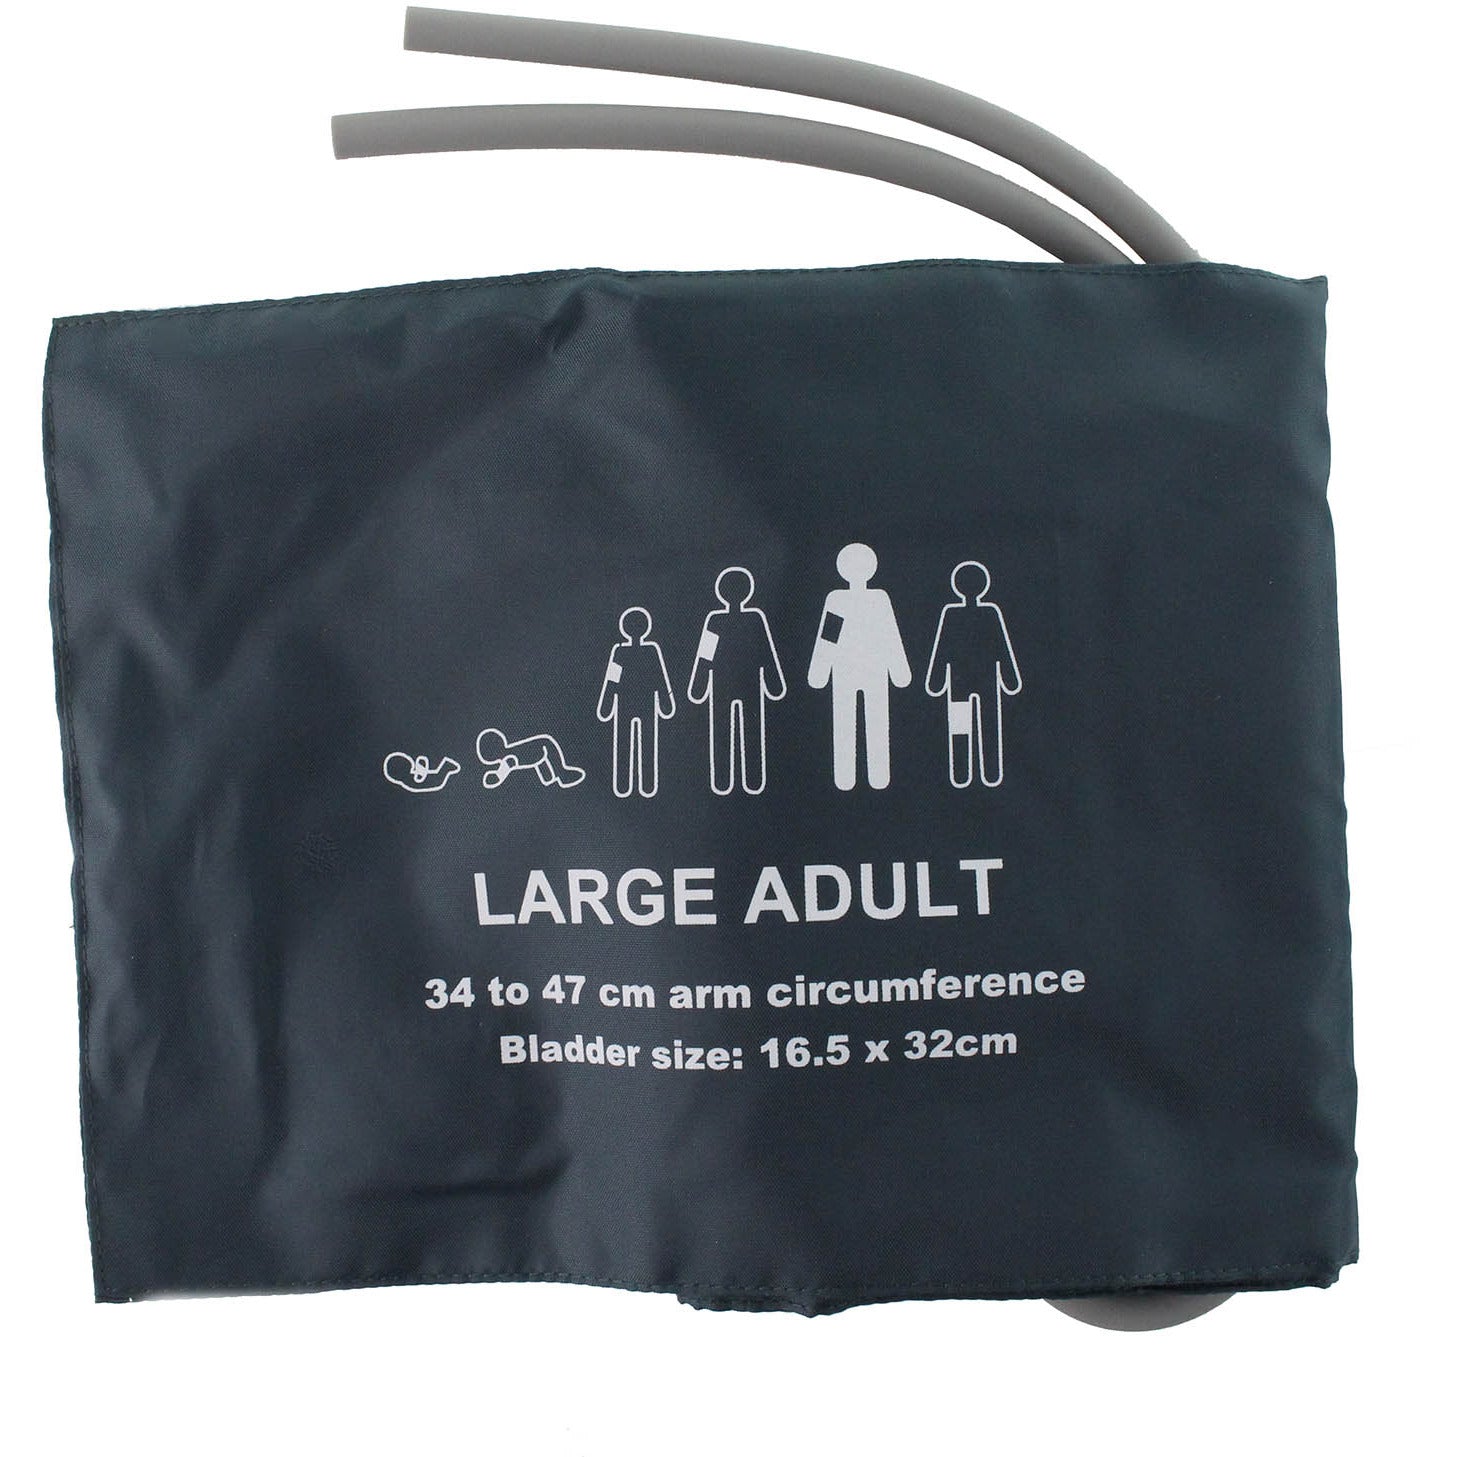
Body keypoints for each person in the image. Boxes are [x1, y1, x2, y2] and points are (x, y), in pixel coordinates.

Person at [807, 543, 911, 790]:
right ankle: (869, 777)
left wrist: (819, 672)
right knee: (867, 720)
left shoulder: (856, 599)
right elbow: (830, 635)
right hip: (861, 670)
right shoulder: (846, 600)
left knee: (856, 720)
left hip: (857, 670)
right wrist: (899, 671)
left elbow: (887, 633)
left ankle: (856, 778)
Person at [687, 567, 787, 795]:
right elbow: (764, 652)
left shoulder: (720, 621)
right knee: (746, 730)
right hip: (744, 683)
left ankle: (725, 780)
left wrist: (699, 685)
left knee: (724, 730)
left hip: (725, 683)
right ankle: (750, 780)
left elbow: (706, 657)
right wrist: (773, 683)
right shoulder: (746, 619)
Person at [924, 560, 1022, 787]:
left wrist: (937, 679)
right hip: (982, 679)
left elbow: (943, 649)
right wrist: (1009, 678)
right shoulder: (985, 613)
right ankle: (986, 773)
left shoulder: (961, 614)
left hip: (964, 681)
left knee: (970, 727)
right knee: (986, 725)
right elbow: (1000, 648)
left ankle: (964, 774)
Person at [597, 606, 676, 798]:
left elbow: (614, 680)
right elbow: (613, 679)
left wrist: (607, 704)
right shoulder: (628, 652)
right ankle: (639, 785)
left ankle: (632, 785)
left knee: (633, 743)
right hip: (639, 703)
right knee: (640, 743)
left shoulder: (634, 652)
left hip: (631, 703)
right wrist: (665, 702)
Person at [475, 729, 585, 790]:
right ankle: (557, 776)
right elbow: (507, 766)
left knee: (547, 765)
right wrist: (497, 775)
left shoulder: (509, 757)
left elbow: (507, 766)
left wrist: (497, 776)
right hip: (539, 752)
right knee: (546, 773)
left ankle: (558, 775)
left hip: (540, 750)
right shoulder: (508, 756)